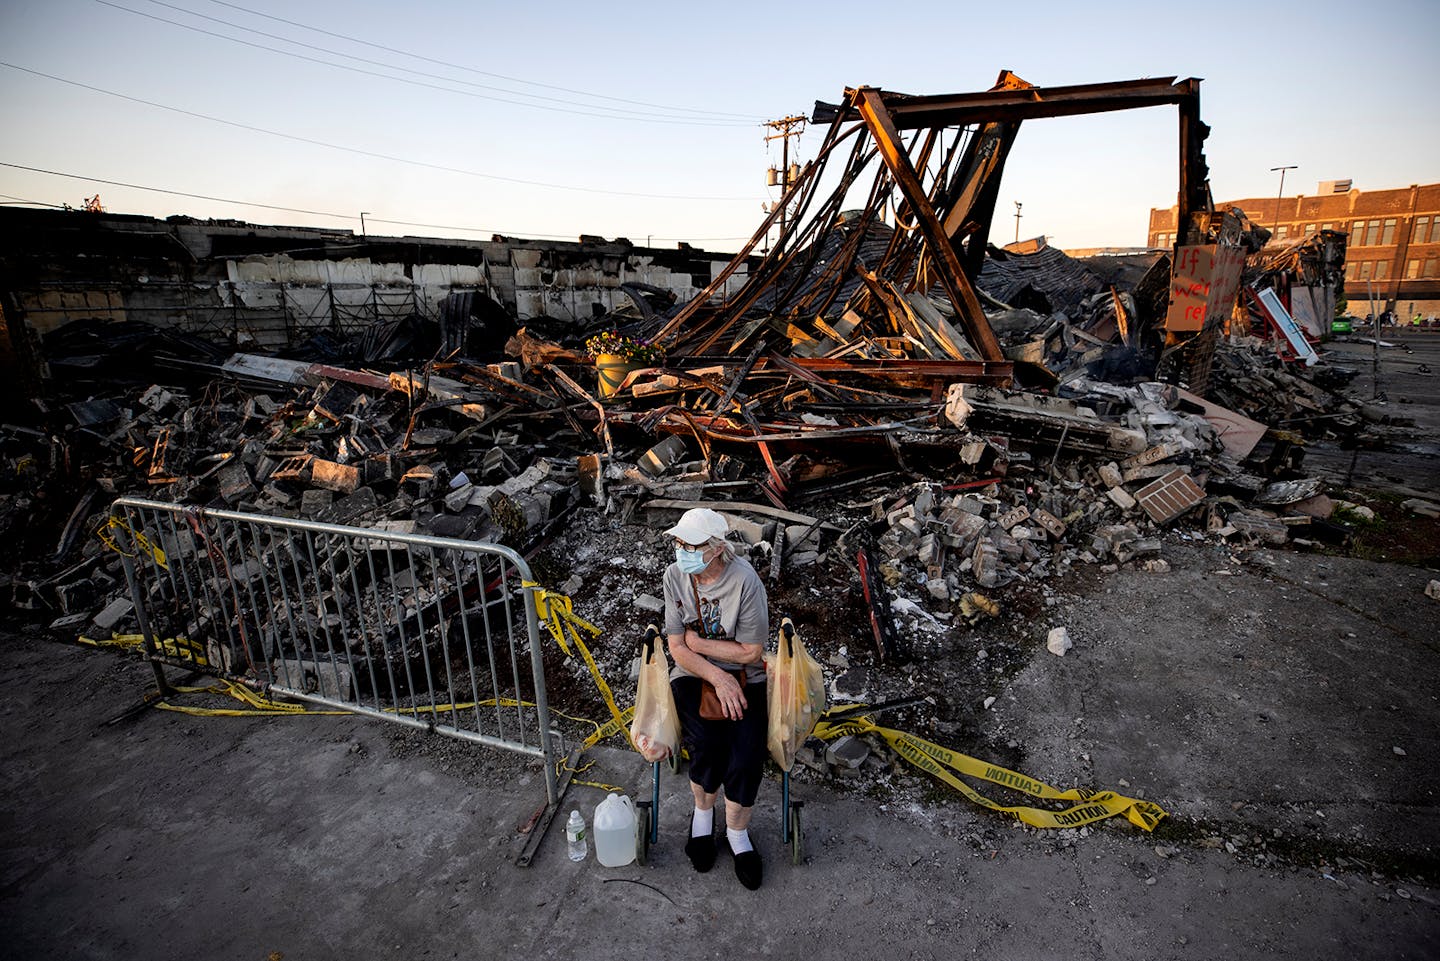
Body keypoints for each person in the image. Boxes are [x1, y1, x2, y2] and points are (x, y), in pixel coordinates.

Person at [661, 507, 769, 890]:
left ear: (716, 548)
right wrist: (716, 675)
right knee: (705, 743)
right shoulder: (674, 577)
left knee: (745, 754)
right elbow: (677, 648)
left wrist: (701, 644)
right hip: (694, 671)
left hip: (747, 676)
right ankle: (703, 819)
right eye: (678, 542)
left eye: (690, 544)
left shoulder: (745, 582)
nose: (681, 550)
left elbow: (752, 652)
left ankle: (738, 836)